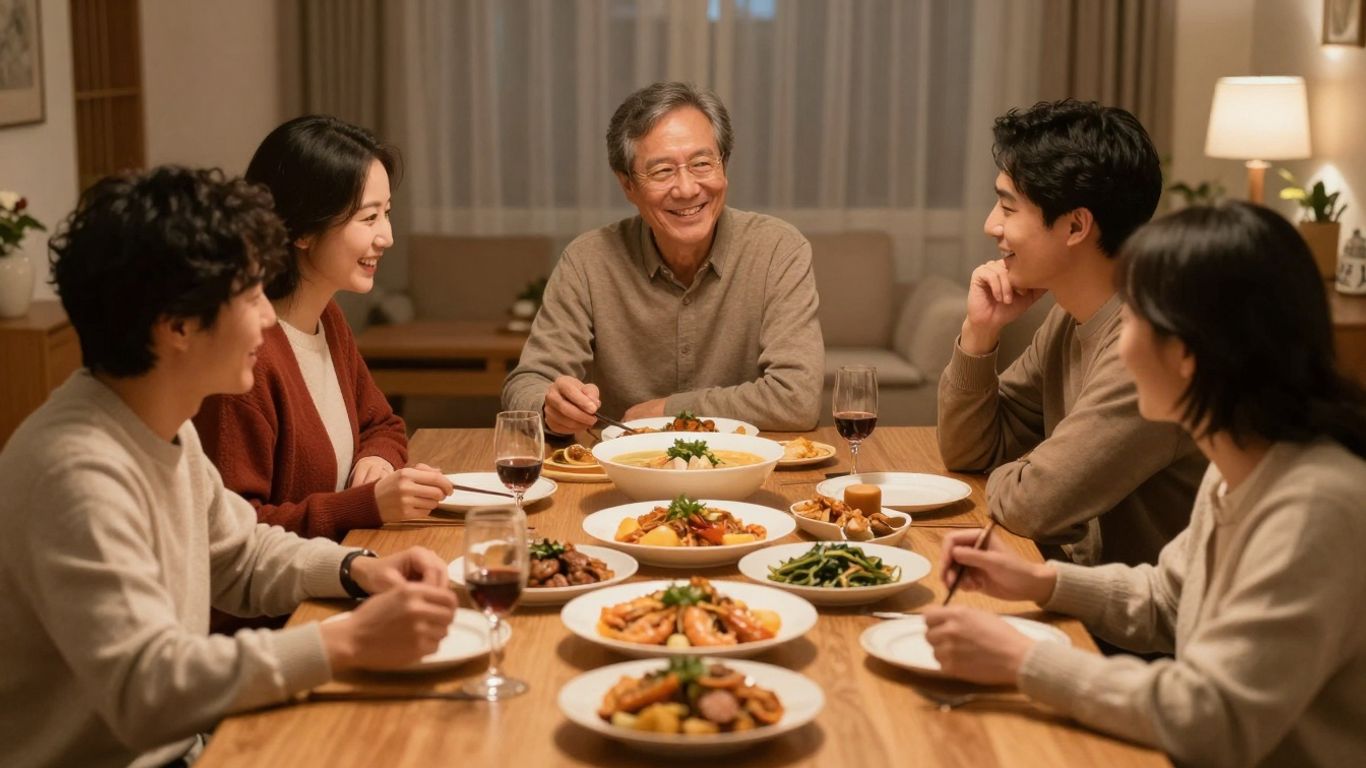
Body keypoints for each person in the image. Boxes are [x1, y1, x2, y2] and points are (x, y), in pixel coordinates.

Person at [0, 167, 459, 768]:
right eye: (250, 297)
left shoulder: (160, 425)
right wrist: (346, 641)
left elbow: (238, 557)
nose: (268, 320)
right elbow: (148, 689)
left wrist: (358, 568)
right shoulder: (77, 472)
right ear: (179, 327)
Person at [923, 203, 1366, 767]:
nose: (1118, 344)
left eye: (1132, 320)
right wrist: (1040, 581)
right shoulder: (1240, 468)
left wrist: (1022, 660)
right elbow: (1169, 597)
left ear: (1185, 354)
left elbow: (1213, 719)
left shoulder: (1316, 508)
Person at [937, 99, 1206, 566]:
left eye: (1007, 207)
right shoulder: (1070, 315)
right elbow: (969, 450)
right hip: (1077, 590)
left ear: (1076, 226)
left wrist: (1032, 472)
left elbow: (1034, 505)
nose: (991, 225)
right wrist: (979, 333)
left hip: (1137, 628)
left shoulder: (1146, 346)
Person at [502, 81, 824, 434]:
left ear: (724, 166)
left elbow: (798, 399)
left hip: (744, 473)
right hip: (622, 473)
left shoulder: (777, 249)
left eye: (702, 163)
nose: (686, 189)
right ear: (627, 185)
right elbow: (527, 383)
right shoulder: (587, 261)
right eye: (662, 171)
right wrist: (551, 406)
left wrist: (671, 411)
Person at [195, 116, 453, 542]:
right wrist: (365, 505)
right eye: (368, 218)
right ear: (302, 230)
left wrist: (379, 462)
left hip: (339, 569)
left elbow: (383, 424)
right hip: (288, 607)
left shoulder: (327, 318)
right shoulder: (246, 357)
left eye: (387, 213)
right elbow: (233, 537)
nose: (386, 236)